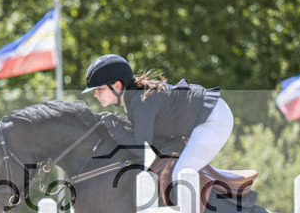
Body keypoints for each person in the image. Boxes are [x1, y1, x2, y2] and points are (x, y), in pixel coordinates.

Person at [81, 53, 234, 184]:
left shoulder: (141, 102)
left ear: (118, 86)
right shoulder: (134, 101)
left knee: (179, 176)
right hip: (203, 116)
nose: (95, 94)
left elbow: (144, 151)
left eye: (100, 89)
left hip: (212, 118)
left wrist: (115, 129)